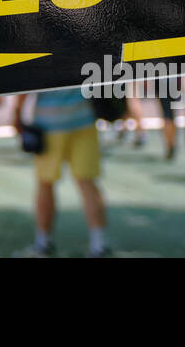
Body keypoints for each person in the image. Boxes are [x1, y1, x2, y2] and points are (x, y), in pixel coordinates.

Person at [13, 88, 110, 257]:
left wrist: (17, 112)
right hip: (83, 118)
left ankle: (43, 244)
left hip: (49, 123)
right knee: (88, 183)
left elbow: (29, 79)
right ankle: (99, 244)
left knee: (45, 183)